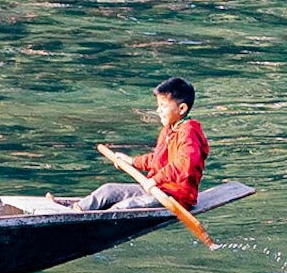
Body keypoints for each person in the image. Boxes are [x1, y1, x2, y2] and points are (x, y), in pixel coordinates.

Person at [78, 77, 208, 211]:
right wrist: (132, 161)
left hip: (175, 196)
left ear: (181, 109)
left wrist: (155, 180)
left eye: (163, 106)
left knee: (123, 207)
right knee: (108, 190)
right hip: (156, 188)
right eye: (158, 106)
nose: (158, 110)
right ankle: (74, 210)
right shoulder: (169, 129)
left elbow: (184, 164)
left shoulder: (189, 133)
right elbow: (158, 159)